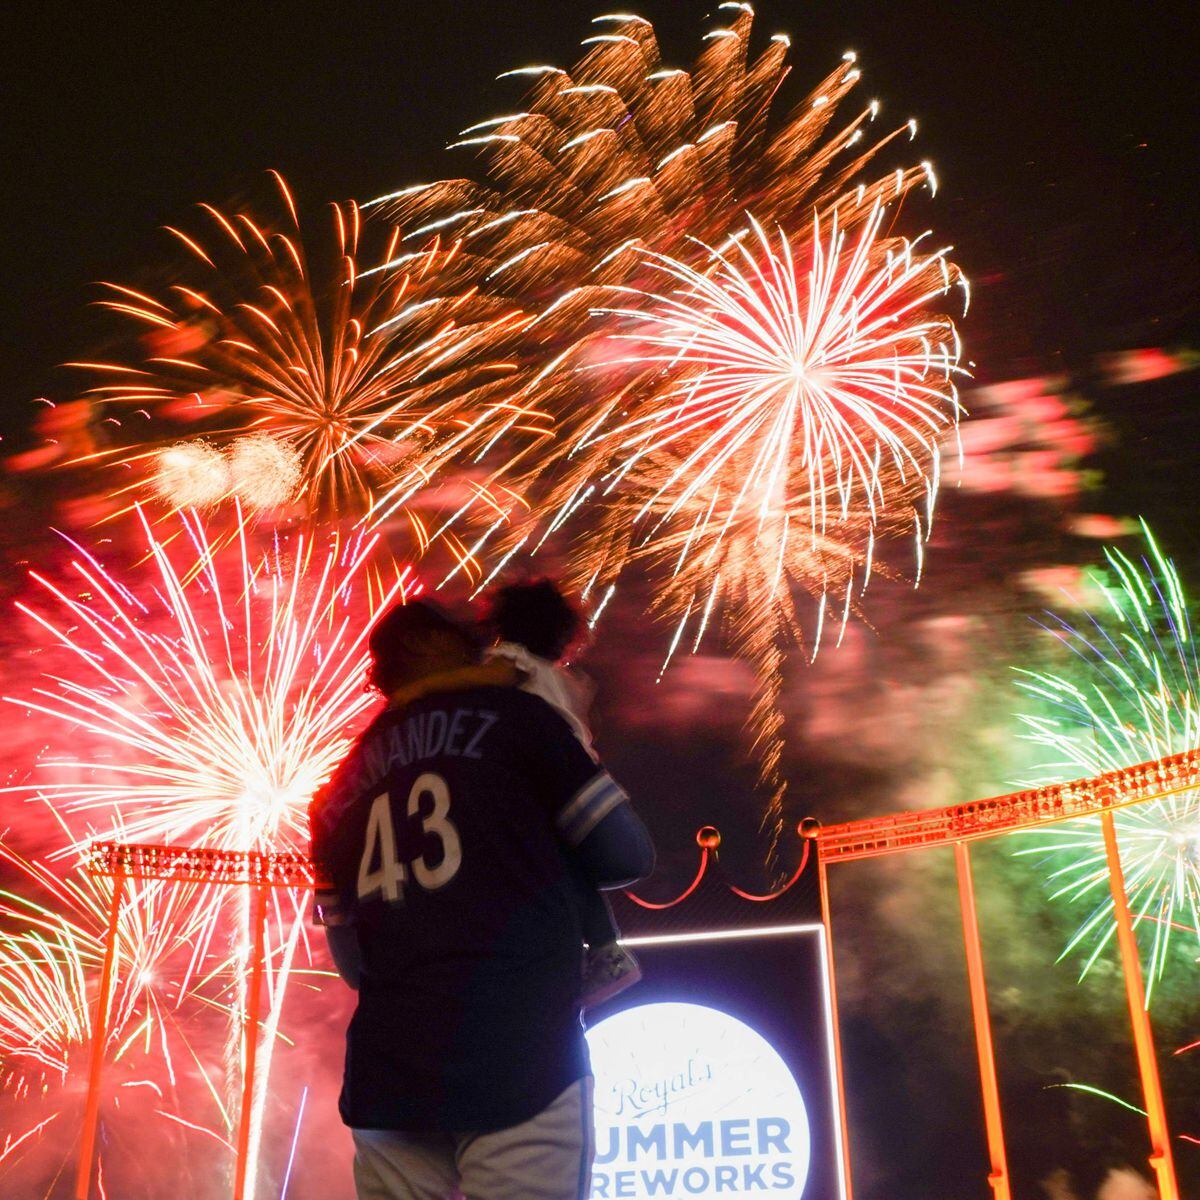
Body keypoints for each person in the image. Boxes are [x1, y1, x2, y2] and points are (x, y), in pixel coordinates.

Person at [309, 600, 654, 1200]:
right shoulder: (522, 721)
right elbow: (628, 857)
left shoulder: (336, 792)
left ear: (382, 675)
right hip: (519, 1054)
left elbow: (353, 965)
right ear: (451, 647)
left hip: (389, 1073)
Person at [389, 579, 640, 1007]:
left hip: (538, 779)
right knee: (570, 869)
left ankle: (601, 953)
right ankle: (605, 948)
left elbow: (484, 680)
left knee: (545, 859)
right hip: (579, 779)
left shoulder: (511, 659)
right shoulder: (564, 680)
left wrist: (419, 691)